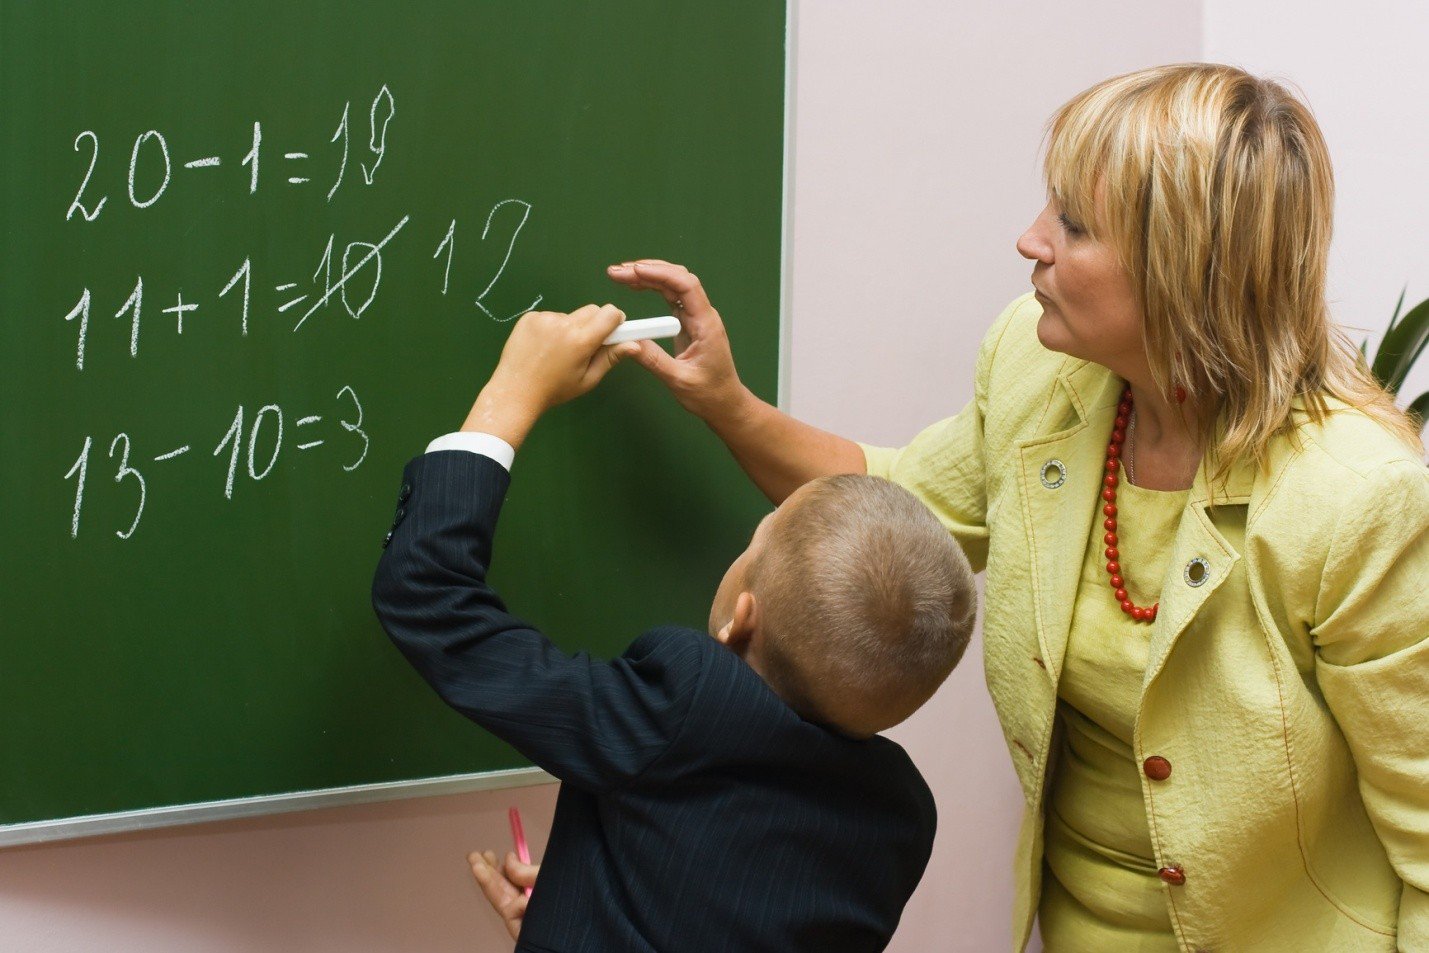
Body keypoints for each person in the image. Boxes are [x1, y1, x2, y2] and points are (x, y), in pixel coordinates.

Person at [475, 63, 1429, 951]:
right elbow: (896, 503)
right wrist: (730, 405)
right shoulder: (1039, 360)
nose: (1031, 239)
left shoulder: (1356, 499)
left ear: (1184, 269)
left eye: (1075, 222)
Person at [371, 304, 980, 953]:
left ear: (742, 618)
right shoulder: (899, 818)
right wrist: (592, 910)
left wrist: (509, 396)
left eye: (757, 537)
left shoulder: (679, 711)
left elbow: (428, 596)